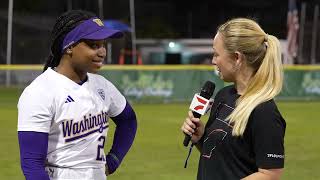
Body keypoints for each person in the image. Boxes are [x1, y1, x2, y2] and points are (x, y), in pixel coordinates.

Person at [17, 10, 137, 180]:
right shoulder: (40, 92)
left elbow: (128, 120)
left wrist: (113, 160)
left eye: (102, 44)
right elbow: (32, 164)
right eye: (93, 45)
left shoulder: (102, 85)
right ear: (70, 47)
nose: (102, 51)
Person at [181, 18, 286, 180]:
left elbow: (271, 174)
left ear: (237, 58)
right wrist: (201, 138)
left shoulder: (264, 112)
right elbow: (223, 158)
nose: (213, 61)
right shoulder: (224, 95)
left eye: (216, 54)